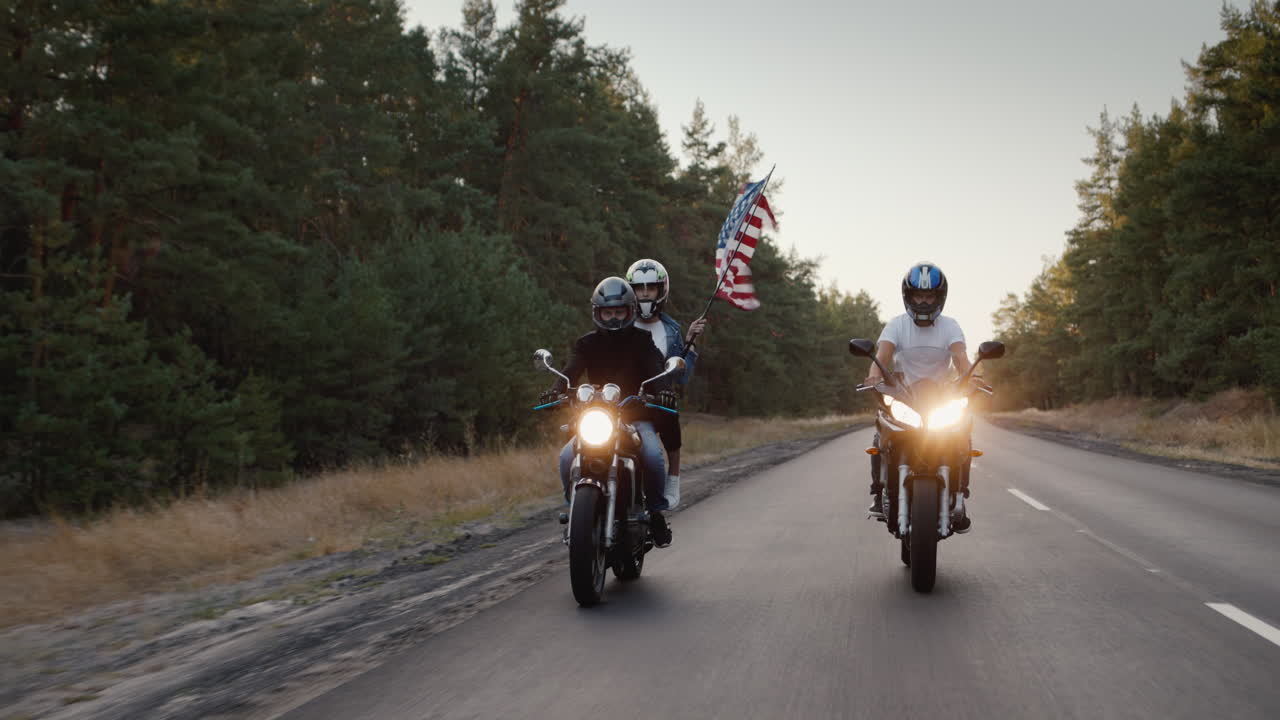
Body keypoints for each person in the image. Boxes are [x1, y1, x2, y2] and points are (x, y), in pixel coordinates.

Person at [541, 276, 674, 546]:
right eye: (607, 312)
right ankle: (576, 505)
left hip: (634, 416)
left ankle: (656, 512)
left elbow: (656, 370)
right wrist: (555, 390)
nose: (613, 319)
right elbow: (570, 372)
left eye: (618, 312)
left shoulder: (642, 340)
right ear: (597, 313)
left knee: (652, 454)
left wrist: (663, 390)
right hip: (596, 415)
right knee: (567, 456)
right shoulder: (586, 344)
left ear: (629, 311)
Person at [863, 261, 976, 532]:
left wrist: (975, 377)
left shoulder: (950, 326)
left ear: (939, 298)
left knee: (963, 432)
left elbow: (961, 359)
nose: (924, 302)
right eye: (919, 296)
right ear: (908, 296)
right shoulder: (896, 326)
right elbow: (882, 357)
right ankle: (879, 494)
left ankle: (959, 496)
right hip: (904, 395)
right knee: (881, 434)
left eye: (929, 296)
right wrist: (873, 378)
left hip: (941, 396)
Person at [625, 259, 706, 510]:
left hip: (656, 399)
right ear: (631, 291)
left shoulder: (671, 330)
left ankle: (673, 478)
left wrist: (690, 343)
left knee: (657, 446)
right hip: (618, 399)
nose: (646, 292)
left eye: (651, 287)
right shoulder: (619, 322)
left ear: (662, 290)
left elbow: (680, 376)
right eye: (639, 287)